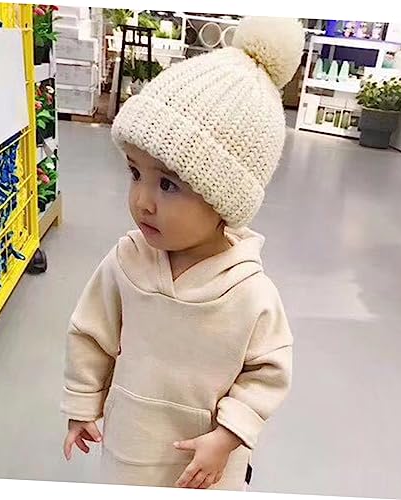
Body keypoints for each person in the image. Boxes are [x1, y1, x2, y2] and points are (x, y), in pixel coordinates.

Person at [61, 16, 304, 491]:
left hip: (206, 466)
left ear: (224, 201)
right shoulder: (126, 262)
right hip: (129, 449)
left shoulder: (250, 293)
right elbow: (91, 332)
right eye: (135, 173)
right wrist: (82, 405)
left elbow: (267, 371)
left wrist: (228, 437)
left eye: (168, 184)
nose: (142, 201)